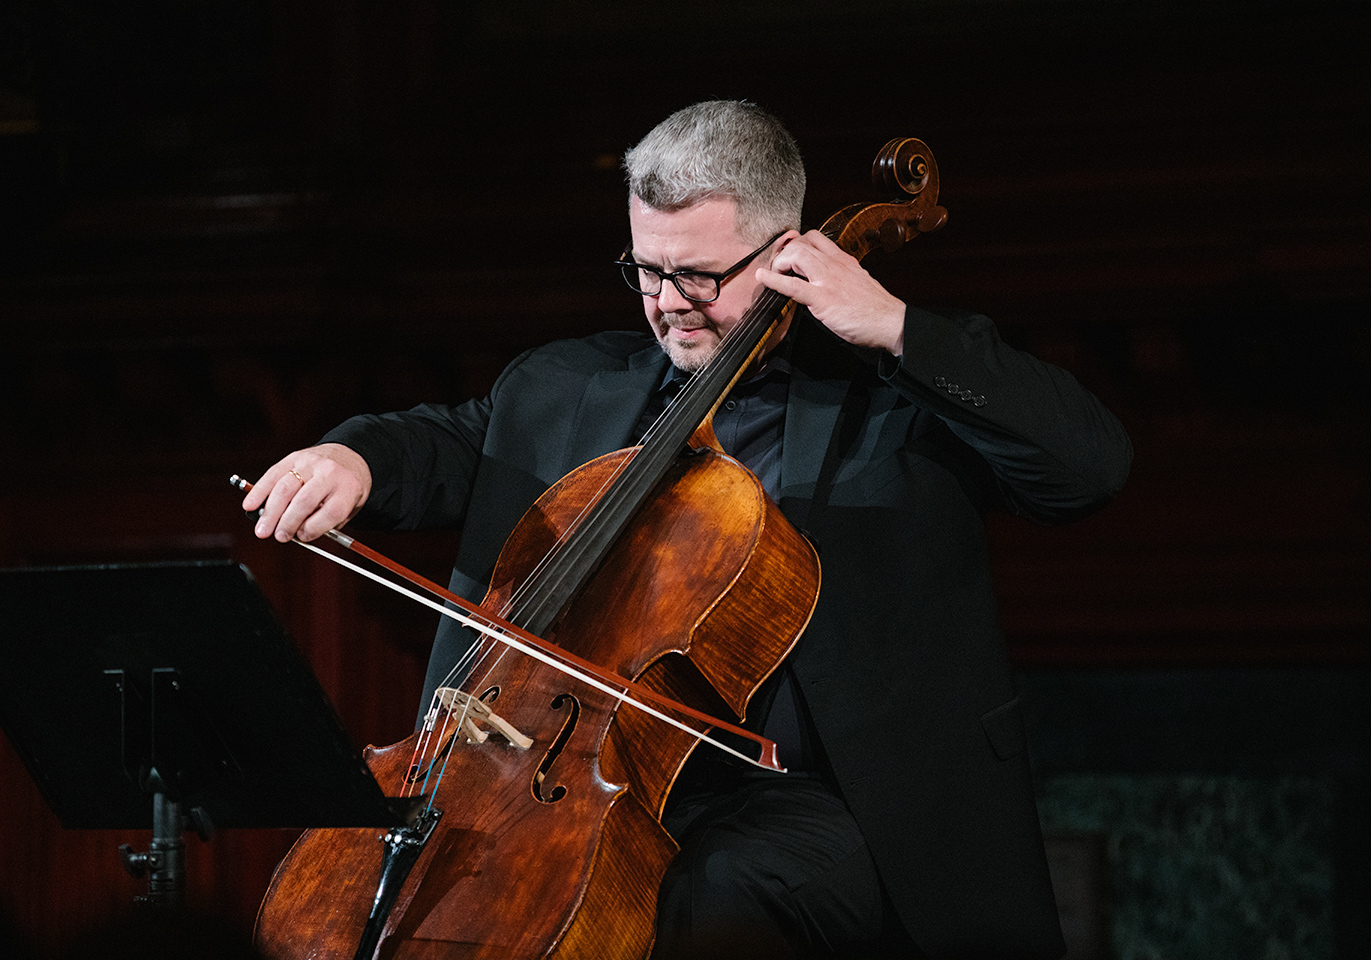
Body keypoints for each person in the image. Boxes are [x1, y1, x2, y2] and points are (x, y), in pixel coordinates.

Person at [243, 100, 1132, 959]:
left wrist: (896, 330)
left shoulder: (892, 395)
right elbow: (448, 443)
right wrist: (353, 460)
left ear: (786, 254)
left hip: (837, 798)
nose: (668, 302)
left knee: (714, 892)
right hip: (586, 780)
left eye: (699, 276)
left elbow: (1088, 468)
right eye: (645, 270)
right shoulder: (563, 385)